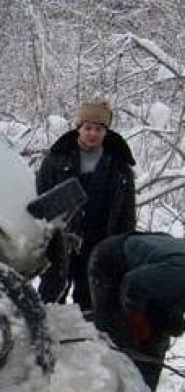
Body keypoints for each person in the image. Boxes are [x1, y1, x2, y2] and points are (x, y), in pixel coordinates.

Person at [36, 100, 137, 311]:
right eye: (88, 128)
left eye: (99, 129)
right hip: (60, 241)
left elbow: (127, 212)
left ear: (106, 131)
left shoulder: (119, 166)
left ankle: (86, 341)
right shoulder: (56, 159)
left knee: (92, 298)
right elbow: (41, 200)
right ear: (78, 128)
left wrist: (123, 245)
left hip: (100, 241)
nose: (93, 133)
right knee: (51, 297)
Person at [88, 232, 185, 392]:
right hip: (112, 262)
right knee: (118, 341)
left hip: (153, 271)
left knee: (157, 341)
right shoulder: (179, 274)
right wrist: (137, 321)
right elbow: (133, 283)